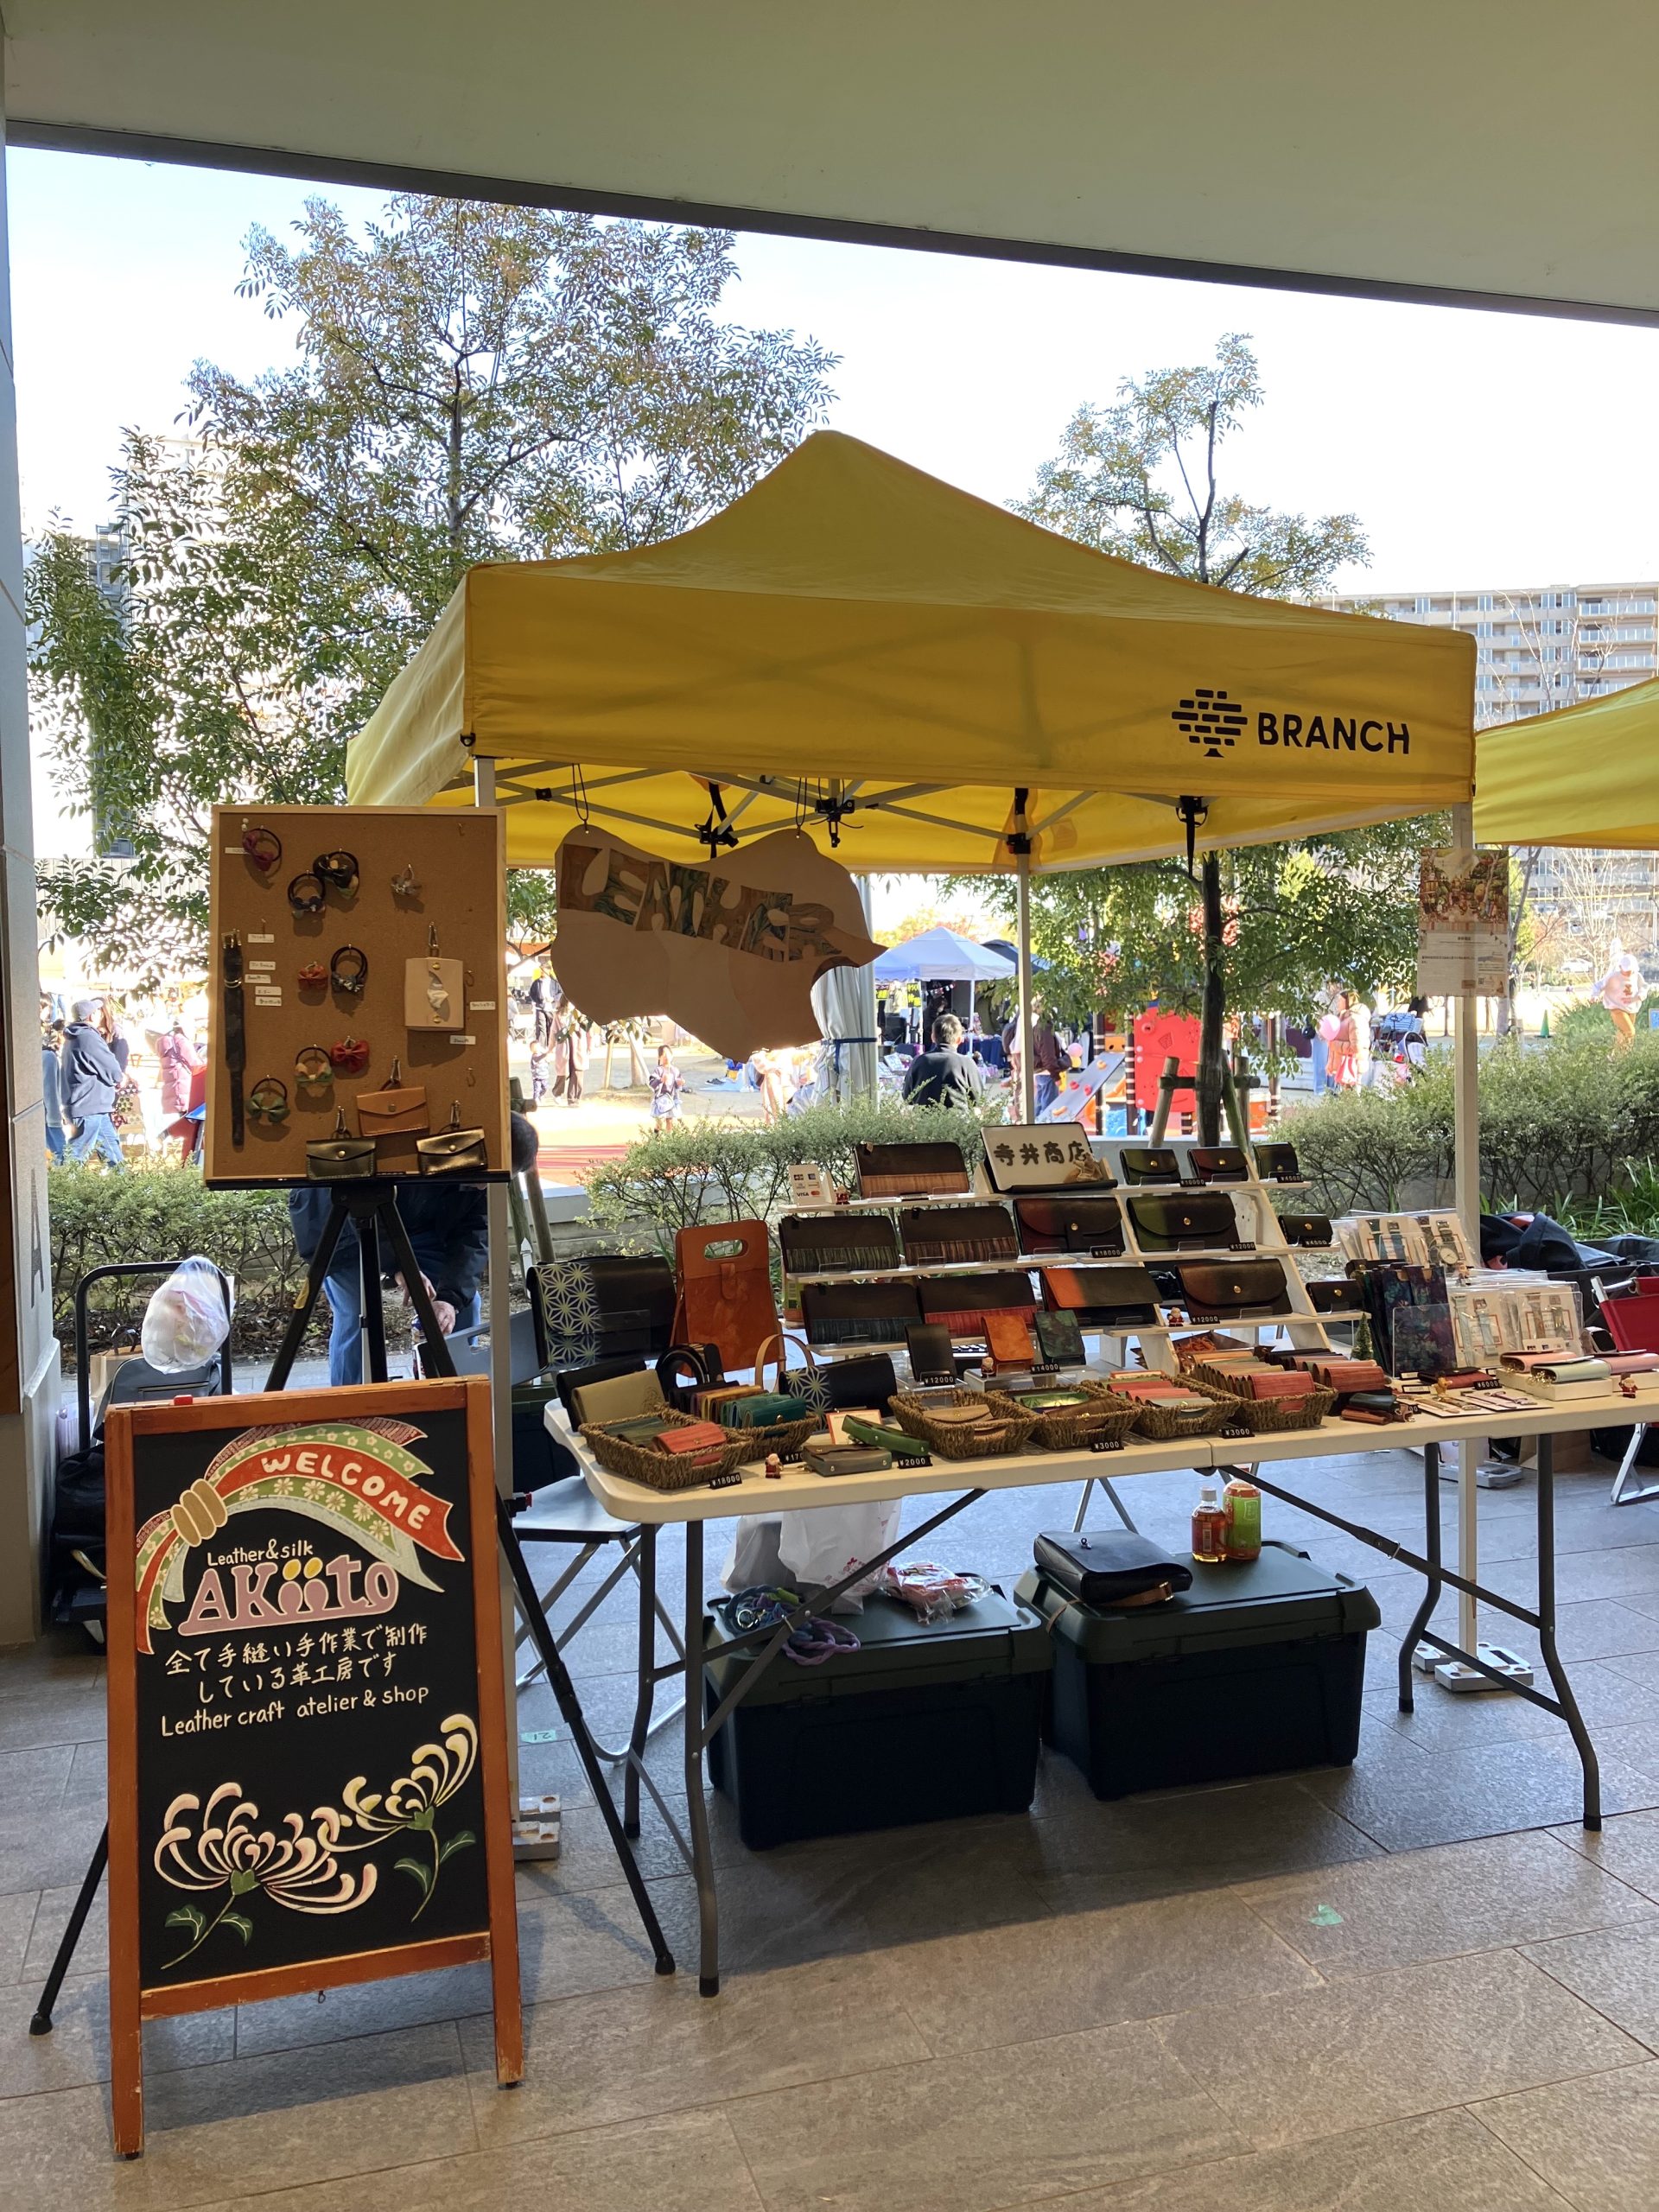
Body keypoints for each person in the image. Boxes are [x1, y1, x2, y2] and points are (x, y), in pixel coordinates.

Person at [289, 1163, 497, 1388]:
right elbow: (362, 1194)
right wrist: (399, 1266)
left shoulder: (483, 1182)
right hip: (340, 1222)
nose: (485, 1187)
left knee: (464, 1305)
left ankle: (459, 1390)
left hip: (415, 1226)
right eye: (485, 1180)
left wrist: (450, 1299)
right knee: (358, 1313)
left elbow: (472, 1237)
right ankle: (350, 1397)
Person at [60, 998, 128, 1167]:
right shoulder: (88, 1037)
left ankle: (123, 1182)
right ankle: (61, 1183)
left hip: (93, 1106)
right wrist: (120, 1077)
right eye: (98, 1011)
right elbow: (111, 1068)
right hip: (89, 1106)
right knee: (75, 1157)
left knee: (114, 1155)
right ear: (91, 1016)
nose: (100, 1014)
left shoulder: (73, 1037)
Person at [902, 1013, 985, 1109]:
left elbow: (907, 1098)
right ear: (959, 1040)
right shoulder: (966, 1063)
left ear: (933, 1038)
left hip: (923, 1117)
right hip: (957, 1117)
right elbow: (979, 1100)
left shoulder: (919, 1061)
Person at [1594, 946, 1643, 1047]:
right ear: (1620, 967)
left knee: (1625, 1035)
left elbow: (1643, 987)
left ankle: (1619, 1055)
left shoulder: (1637, 976)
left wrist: (1641, 995)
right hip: (1617, 1008)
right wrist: (1595, 995)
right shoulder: (1613, 976)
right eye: (1625, 970)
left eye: (1630, 970)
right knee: (1630, 1031)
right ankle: (1620, 1054)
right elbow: (1598, 985)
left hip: (1632, 1008)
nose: (1628, 972)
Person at [1031, 1013, 1066, 1116]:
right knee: (1049, 1109)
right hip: (1048, 1072)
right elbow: (1048, 1055)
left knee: (1039, 1105)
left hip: (1041, 1071)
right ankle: (1045, 1124)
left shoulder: (1037, 1027)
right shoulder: (1045, 1029)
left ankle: (1037, 1123)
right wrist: (1056, 1076)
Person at [1325, 991, 1359, 1090]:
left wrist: (1335, 1044)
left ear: (1348, 1002)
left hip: (1349, 1065)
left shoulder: (1353, 1019)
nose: (1338, 1003)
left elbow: (1355, 1046)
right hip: (1340, 1065)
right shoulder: (1341, 1018)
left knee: (1350, 1092)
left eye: (1340, 1001)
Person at [649, 1044, 685, 1131]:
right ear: (659, 1057)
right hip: (661, 1099)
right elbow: (652, 1083)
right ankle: (656, 1137)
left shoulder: (675, 1070)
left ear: (672, 1055)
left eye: (668, 1054)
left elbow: (677, 1083)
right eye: (664, 1055)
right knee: (660, 1120)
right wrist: (661, 1080)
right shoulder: (658, 1070)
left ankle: (669, 1138)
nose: (667, 1057)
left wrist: (681, 1082)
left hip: (671, 1098)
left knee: (670, 1120)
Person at [42, 1024, 65, 1164]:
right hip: (49, 1117)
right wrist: (55, 1118)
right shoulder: (48, 1057)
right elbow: (49, 1091)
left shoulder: (47, 1056)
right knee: (60, 1155)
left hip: (45, 1116)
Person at [565, 1015, 590, 1106]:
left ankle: (574, 1098)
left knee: (576, 1075)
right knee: (577, 1075)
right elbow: (590, 1036)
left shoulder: (577, 1023)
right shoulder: (582, 1023)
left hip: (575, 1051)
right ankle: (574, 1098)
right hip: (577, 1051)